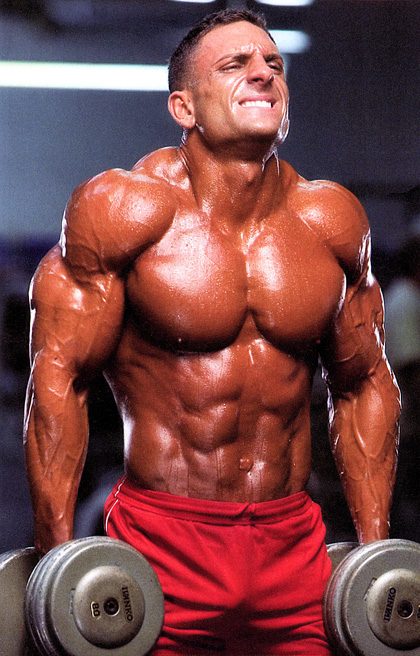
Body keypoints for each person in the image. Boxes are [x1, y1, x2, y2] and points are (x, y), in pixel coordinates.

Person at [24, 9, 400, 656]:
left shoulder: (332, 220)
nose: (263, 73)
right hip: (162, 550)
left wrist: (375, 552)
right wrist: (57, 559)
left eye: (273, 64)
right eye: (235, 65)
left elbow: (364, 381)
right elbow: (59, 378)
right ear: (184, 107)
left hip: (293, 549)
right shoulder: (122, 211)